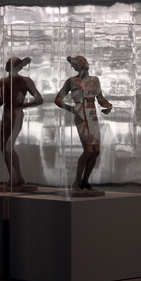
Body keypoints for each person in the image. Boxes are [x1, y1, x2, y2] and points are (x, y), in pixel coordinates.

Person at [54, 55, 113, 191]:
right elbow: (58, 99)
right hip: (80, 114)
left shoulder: (94, 80)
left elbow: (100, 98)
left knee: (96, 151)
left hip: (92, 114)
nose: (81, 64)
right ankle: (77, 182)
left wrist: (108, 105)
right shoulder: (72, 81)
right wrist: (70, 108)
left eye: (82, 62)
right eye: (77, 63)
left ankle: (85, 181)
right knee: (88, 150)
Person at [0, 55, 44, 190]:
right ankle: (18, 176)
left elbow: (3, 99)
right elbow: (39, 99)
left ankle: (14, 177)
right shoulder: (26, 81)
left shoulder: (5, 81)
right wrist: (23, 105)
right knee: (8, 147)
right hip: (17, 114)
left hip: (10, 114)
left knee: (5, 147)